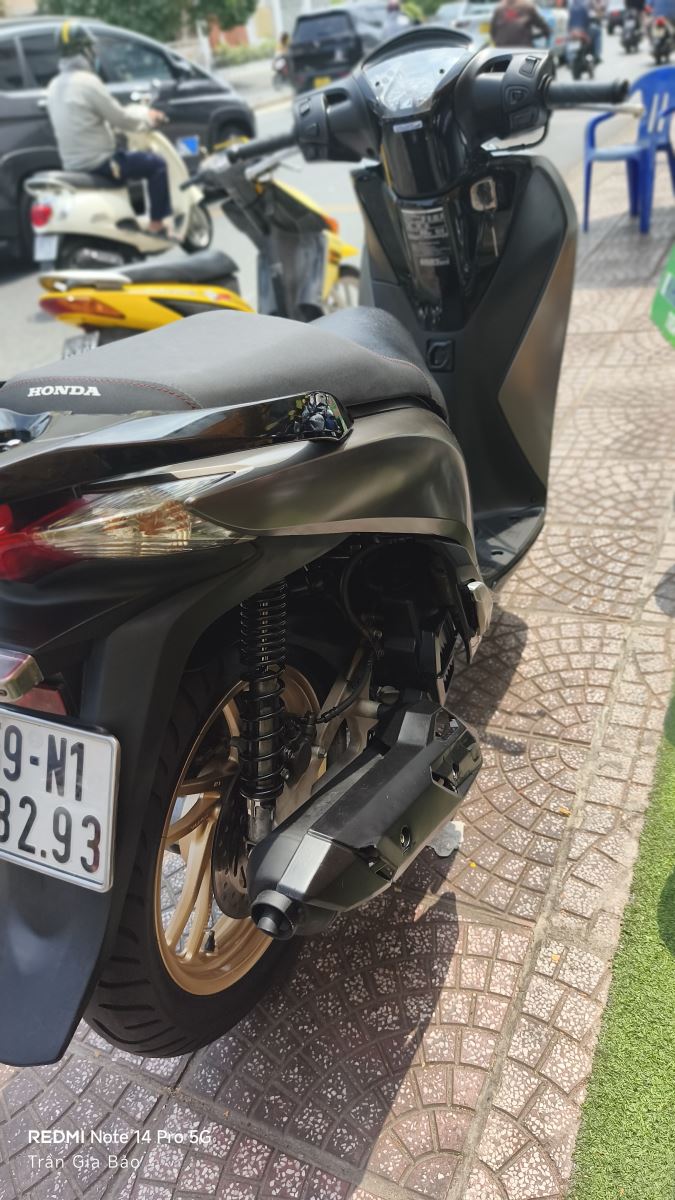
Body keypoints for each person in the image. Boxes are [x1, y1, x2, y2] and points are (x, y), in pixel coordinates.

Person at [46, 22, 171, 235]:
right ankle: (157, 225)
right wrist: (149, 120)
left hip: (72, 166)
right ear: (84, 50)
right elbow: (121, 118)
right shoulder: (88, 82)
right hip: (100, 164)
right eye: (90, 48)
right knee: (157, 165)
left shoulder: (53, 86)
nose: (94, 53)